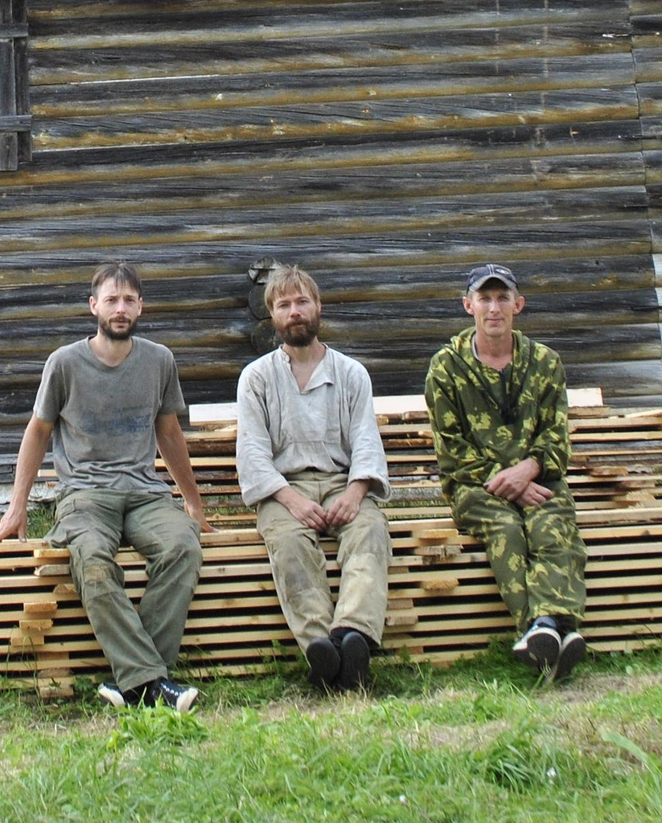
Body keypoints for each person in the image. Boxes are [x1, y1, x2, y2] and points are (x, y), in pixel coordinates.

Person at [0, 262, 214, 710]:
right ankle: (153, 684)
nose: (121, 308)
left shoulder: (159, 361)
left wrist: (193, 504)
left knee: (183, 547)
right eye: (111, 299)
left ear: (141, 307)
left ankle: (134, 682)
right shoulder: (65, 363)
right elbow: (37, 432)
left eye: (129, 299)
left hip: (145, 493)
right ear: (93, 306)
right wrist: (17, 508)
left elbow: (169, 433)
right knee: (90, 558)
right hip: (84, 497)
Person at [423, 262, 588, 681]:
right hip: (476, 487)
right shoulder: (446, 368)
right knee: (508, 529)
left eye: (502, 298)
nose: (493, 308)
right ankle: (550, 628)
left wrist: (529, 470)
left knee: (553, 525)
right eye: (484, 298)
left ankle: (545, 627)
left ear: (519, 304)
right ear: (468, 305)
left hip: (540, 481)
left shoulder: (545, 363)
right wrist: (509, 481)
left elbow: (557, 438)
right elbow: (453, 451)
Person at [234, 263, 391, 690]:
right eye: (284, 305)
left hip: (345, 484)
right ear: (273, 316)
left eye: (302, 301)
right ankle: (321, 647)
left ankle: (350, 634)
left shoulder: (350, 373)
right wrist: (292, 500)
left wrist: (356, 493)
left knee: (370, 536)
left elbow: (365, 440)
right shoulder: (257, 378)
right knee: (288, 546)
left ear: (318, 307)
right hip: (286, 491)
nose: (295, 311)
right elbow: (252, 453)